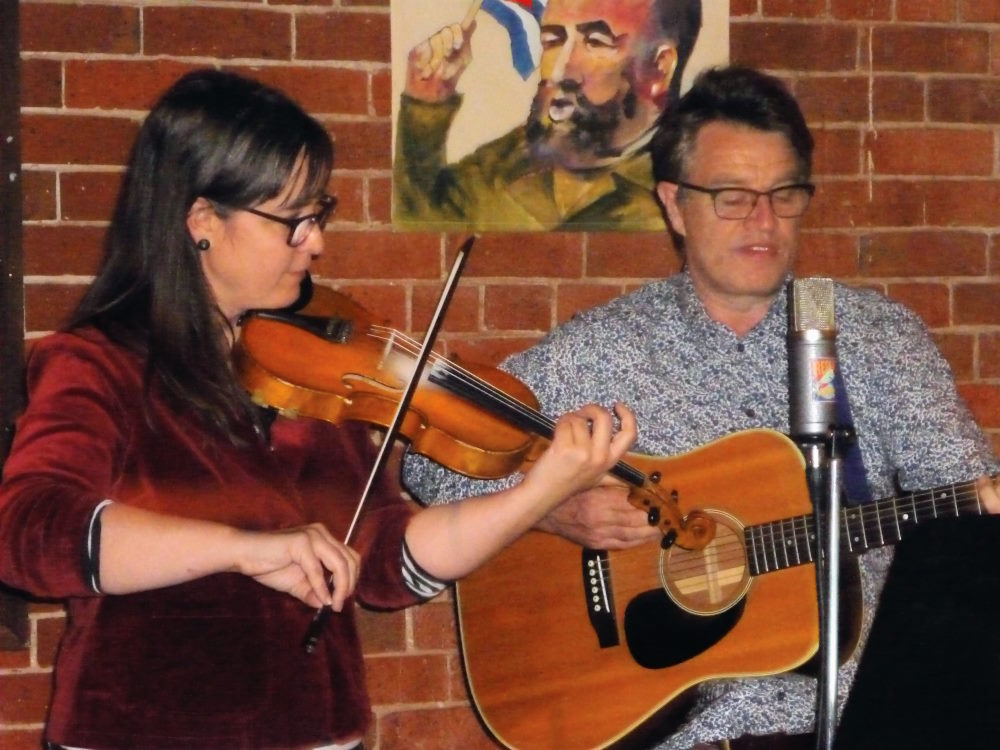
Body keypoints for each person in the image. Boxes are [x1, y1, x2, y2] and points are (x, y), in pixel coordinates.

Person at [0, 69, 638, 750]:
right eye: (293, 221)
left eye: (318, 214)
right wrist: (244, 552)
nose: (317, 242)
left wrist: (539, 493)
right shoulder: (98, 363)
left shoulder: (317, 365)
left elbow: (388, 559)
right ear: (202, 222)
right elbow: (29, 532)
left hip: (318, 734)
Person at [402, 65, 1000, 749]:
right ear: (673, 203)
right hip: (682, 733)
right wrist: (551, 509)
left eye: (784, 193)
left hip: (860, 719)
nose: (765, 221)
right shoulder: (599, 352)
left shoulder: (878, 341)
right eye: (732, 196)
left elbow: (968, 525)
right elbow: (432, 461)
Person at [394, 0, 702, 231]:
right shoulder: (507, 160)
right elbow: (423, 220)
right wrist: (425, 106)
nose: (557, 70)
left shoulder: (691, 178)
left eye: (595, 42)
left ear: (659, 67)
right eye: (552, 41)